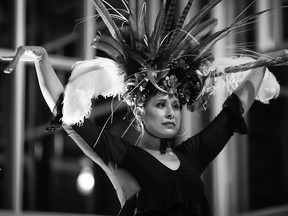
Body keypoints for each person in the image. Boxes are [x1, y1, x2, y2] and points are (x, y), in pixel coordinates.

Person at [1, 0, 285, 215]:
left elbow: (233, 112)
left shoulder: (191, 156)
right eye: (161, 104)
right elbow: (70, 116)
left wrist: (261, 64)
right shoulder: (123, 155)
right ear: (140, 110)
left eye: (175, 104)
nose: (172, 111)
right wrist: (42, 61)